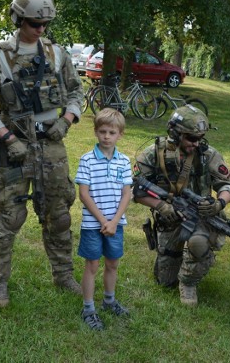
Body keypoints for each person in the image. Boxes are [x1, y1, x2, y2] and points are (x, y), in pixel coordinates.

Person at [0, 0, 84, 307]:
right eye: (35, 23)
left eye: (45, 24)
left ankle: (63, 275)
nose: (41, 29)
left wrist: (67, 120)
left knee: (58, 214)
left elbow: (77, 92)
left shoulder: (57, 55)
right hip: (14, 146)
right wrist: (7, 138)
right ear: (19, 19)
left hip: (51, 144)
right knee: (10, 216)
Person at [133, 105, 230, 306]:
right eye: (191, 138)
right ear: (174, 133)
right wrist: (161, 206)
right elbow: (136, 191)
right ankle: (176, 259)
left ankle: (188, 283)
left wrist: (219, 203)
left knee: (198, 243)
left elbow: (227, 185)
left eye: (200, 138)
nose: (197, 144)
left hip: (200, 216)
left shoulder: (208, 155)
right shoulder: (153, 154)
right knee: (165, 281)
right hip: (170, 218)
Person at [75, 108, 132, 330]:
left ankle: (109, 301)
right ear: (96, 132)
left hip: (116, 224)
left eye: (111, 132)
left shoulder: (124, 161)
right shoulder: (87, 160)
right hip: (93, 225)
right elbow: (83, 193)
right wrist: (102, 221)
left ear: (120, 135)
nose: (107, 136)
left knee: (113, 263)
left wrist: (114, 221)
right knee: (92, 264)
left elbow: (127, 194)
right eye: (102, 131)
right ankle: (88, 308)